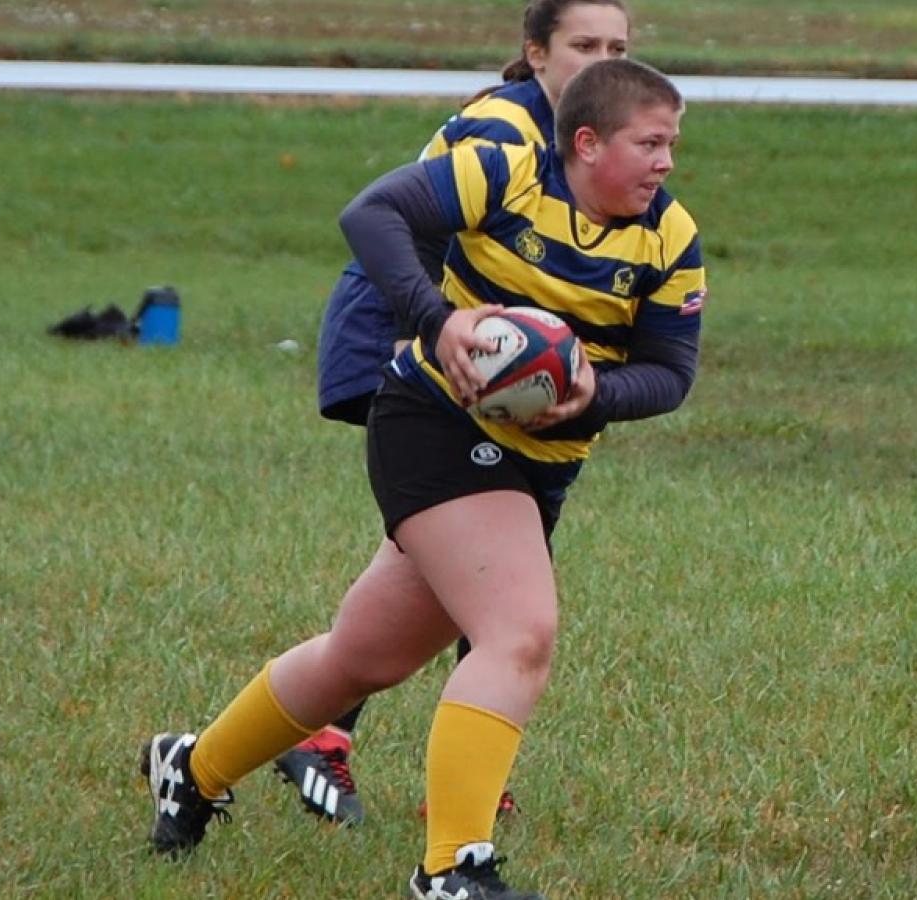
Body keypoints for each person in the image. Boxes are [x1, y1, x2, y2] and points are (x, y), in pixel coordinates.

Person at [141, 57, 704, 899]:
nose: (666, 163)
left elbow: (670, 372)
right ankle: (451, 870)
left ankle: (193, 767)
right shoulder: (506, 170)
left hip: (538, 465)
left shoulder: (670, 238)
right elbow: (370, 214)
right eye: (649, 143)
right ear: (586, 144)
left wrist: (593, 398)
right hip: (432, 422)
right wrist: (437, 323)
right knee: (519, 633)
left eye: (672, 144)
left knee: (360, 657)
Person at [285, 0, 631, 828]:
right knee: (484, 556)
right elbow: (380, 223)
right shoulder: (506, 132)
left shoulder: (601, 137)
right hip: (407, 329)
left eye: (618, 46)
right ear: (536, 52)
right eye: (583, 44)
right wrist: (436, 326)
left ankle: (401, 748)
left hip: (490, 351)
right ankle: (342, 739)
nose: (602, 61)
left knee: (471, 558)